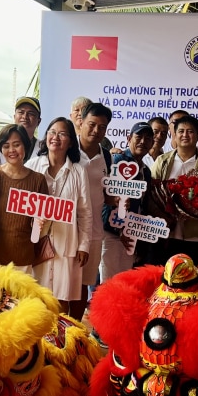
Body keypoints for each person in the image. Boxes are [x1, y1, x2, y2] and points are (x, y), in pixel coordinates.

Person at [26, 117, 92, 317]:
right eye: (52, 132)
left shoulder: (78, 171)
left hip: (66, 243)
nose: (56, 137)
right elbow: (22, 205)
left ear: (71, 141)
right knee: (35, 296)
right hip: (35, 242)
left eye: (62, 134)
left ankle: (59, 346)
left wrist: (83, 246)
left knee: (62, 299)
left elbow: (85, 212)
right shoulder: (32, 166)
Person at [149, 115, 198, 265]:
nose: (185, 135)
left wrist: (197, 209)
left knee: (189, 277)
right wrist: (164, 216)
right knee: (161, 275)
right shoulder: (162, 161)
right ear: (174, 134)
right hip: (165, 230)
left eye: (190, 131)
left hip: (194, 233)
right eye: (181, 131)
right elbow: (152, 193)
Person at [0, 125, 49, 274]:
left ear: (25, 146)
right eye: (6, 146)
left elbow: (40, 222)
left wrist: (39, 223)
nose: (11, 150)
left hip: (24, 257)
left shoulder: (38, 180)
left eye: (17, 145)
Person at [73, 102, 112, 320]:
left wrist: (116, 200)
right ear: (80, 122)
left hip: (94, 231)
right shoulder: (67, 151)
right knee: (62, 282)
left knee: (83, 284)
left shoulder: (107, 157)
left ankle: (76, 332)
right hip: (67, 229)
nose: (96, 130)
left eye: (102, 127)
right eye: (92, 124)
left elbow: (105, 192)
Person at [101, 122, 154, 279]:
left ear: (152, 143)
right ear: (129, 138)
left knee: (124, 282)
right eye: (139, 136)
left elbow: (142, 205)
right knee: (108, 283)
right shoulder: (117, 161)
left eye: (148, 138)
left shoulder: (146, 171)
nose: (143, 141)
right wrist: (120, 229)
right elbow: (109, 198)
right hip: (111, 232)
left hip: (131, 234)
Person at [0, 96, 42, 166]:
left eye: (31, 113)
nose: (25, 117)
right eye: (21, 112)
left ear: (39, 121)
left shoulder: (43, 147)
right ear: (14, 117)